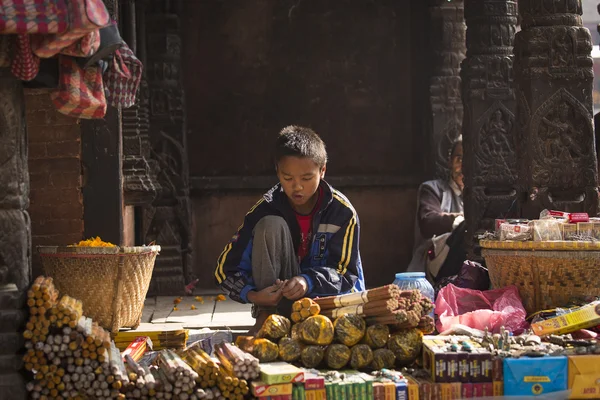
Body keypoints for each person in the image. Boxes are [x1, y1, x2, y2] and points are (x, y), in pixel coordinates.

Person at [214, 125, 366, 333]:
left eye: (306, 178)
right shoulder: (264, 209)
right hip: (280, 305)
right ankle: (268, 319)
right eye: (288, 178)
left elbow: (346, 274)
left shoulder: (343, 213)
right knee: (270, 224)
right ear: (277, 171)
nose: (297, 187)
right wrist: (254, 295)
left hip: (330, 305)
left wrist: (307, 281)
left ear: (322, 171)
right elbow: (225, 270)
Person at [407, 135, 466, 283]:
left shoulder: (480, 194)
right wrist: (465, 219)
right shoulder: (432, 189)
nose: (463, 166)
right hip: (435, 263)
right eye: (458, 158)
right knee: (464, 229)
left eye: (468, 160)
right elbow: (428, 222)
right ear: (449, 161)